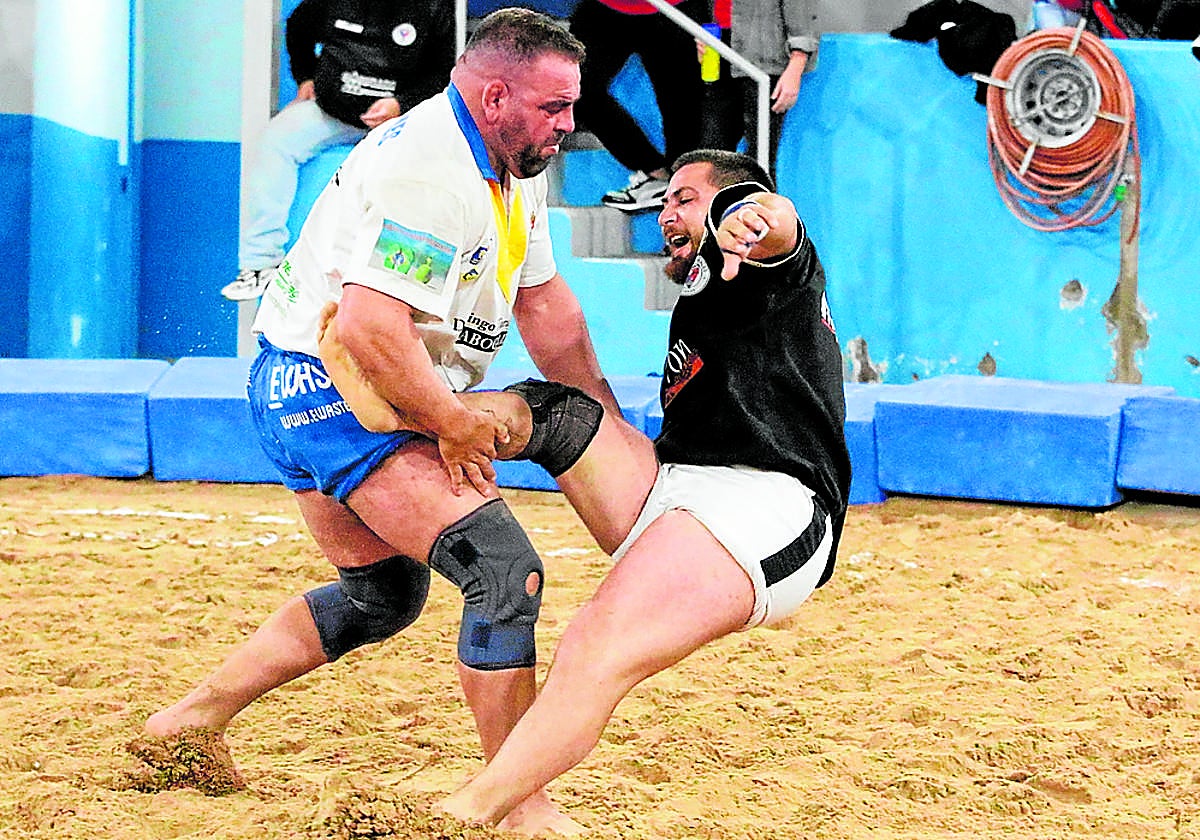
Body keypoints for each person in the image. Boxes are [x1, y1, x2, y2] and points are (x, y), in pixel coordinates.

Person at [129, 10, 617, 835]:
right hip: (332, 386)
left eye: (570, 106)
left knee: (384, 594)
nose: (569, 126)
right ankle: (521, 806)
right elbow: (368, 329)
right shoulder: (434, 171)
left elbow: (547, 306)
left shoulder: (508, 155)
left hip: (329, 382)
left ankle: (189, 722)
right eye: (554, 108)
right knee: (503, 571)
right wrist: (453, 423)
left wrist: (609, 420)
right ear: (495, 95)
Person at [436, 149, 853, 831]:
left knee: (594, 647)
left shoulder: (769, 270)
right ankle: (419, 418)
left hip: (771, 509)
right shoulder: (705, 291)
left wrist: (750, 218)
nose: (667, 213)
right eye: (666, 200)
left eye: (684, 199)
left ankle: (465, 815)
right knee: (556, 411)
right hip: (672, 484)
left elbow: (778, 224)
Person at [221, 0, 455, 301]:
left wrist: (401, 105)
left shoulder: (433, 7)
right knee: (274, 141)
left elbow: (443, 75)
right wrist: (305, 77)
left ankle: (417, 283)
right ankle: (260, 265)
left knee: (438, 169)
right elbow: (297, 28)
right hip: (331, 114)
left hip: (401, 121)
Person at [568, 0, 707, 212]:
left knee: (682, 106)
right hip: (606, 7)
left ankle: (678, 190)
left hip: (674, 7)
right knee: (575, 91)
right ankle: (658, 174)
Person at [699, 0, 818, 178]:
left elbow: (801, 10)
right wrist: (703, 31)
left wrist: (798, 60)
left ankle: (762, 204)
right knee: (712, 158)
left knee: (759, 160)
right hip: (718, 47)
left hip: (763, 60)